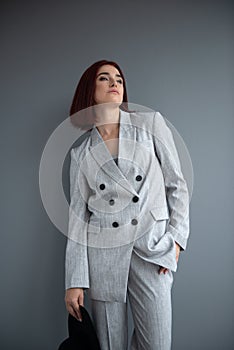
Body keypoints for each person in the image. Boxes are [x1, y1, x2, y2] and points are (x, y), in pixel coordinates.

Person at [64, 59, 190, 350]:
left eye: (119, 79)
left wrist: (177, 241)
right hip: (104, 258)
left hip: (152, 250)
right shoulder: (82, 153)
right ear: (89, 91)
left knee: (157, 344)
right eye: (104, 79)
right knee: (110, 345)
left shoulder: (150, 124)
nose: (115, 84)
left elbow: (177, 185)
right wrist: (74, 280)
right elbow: (76, 219)